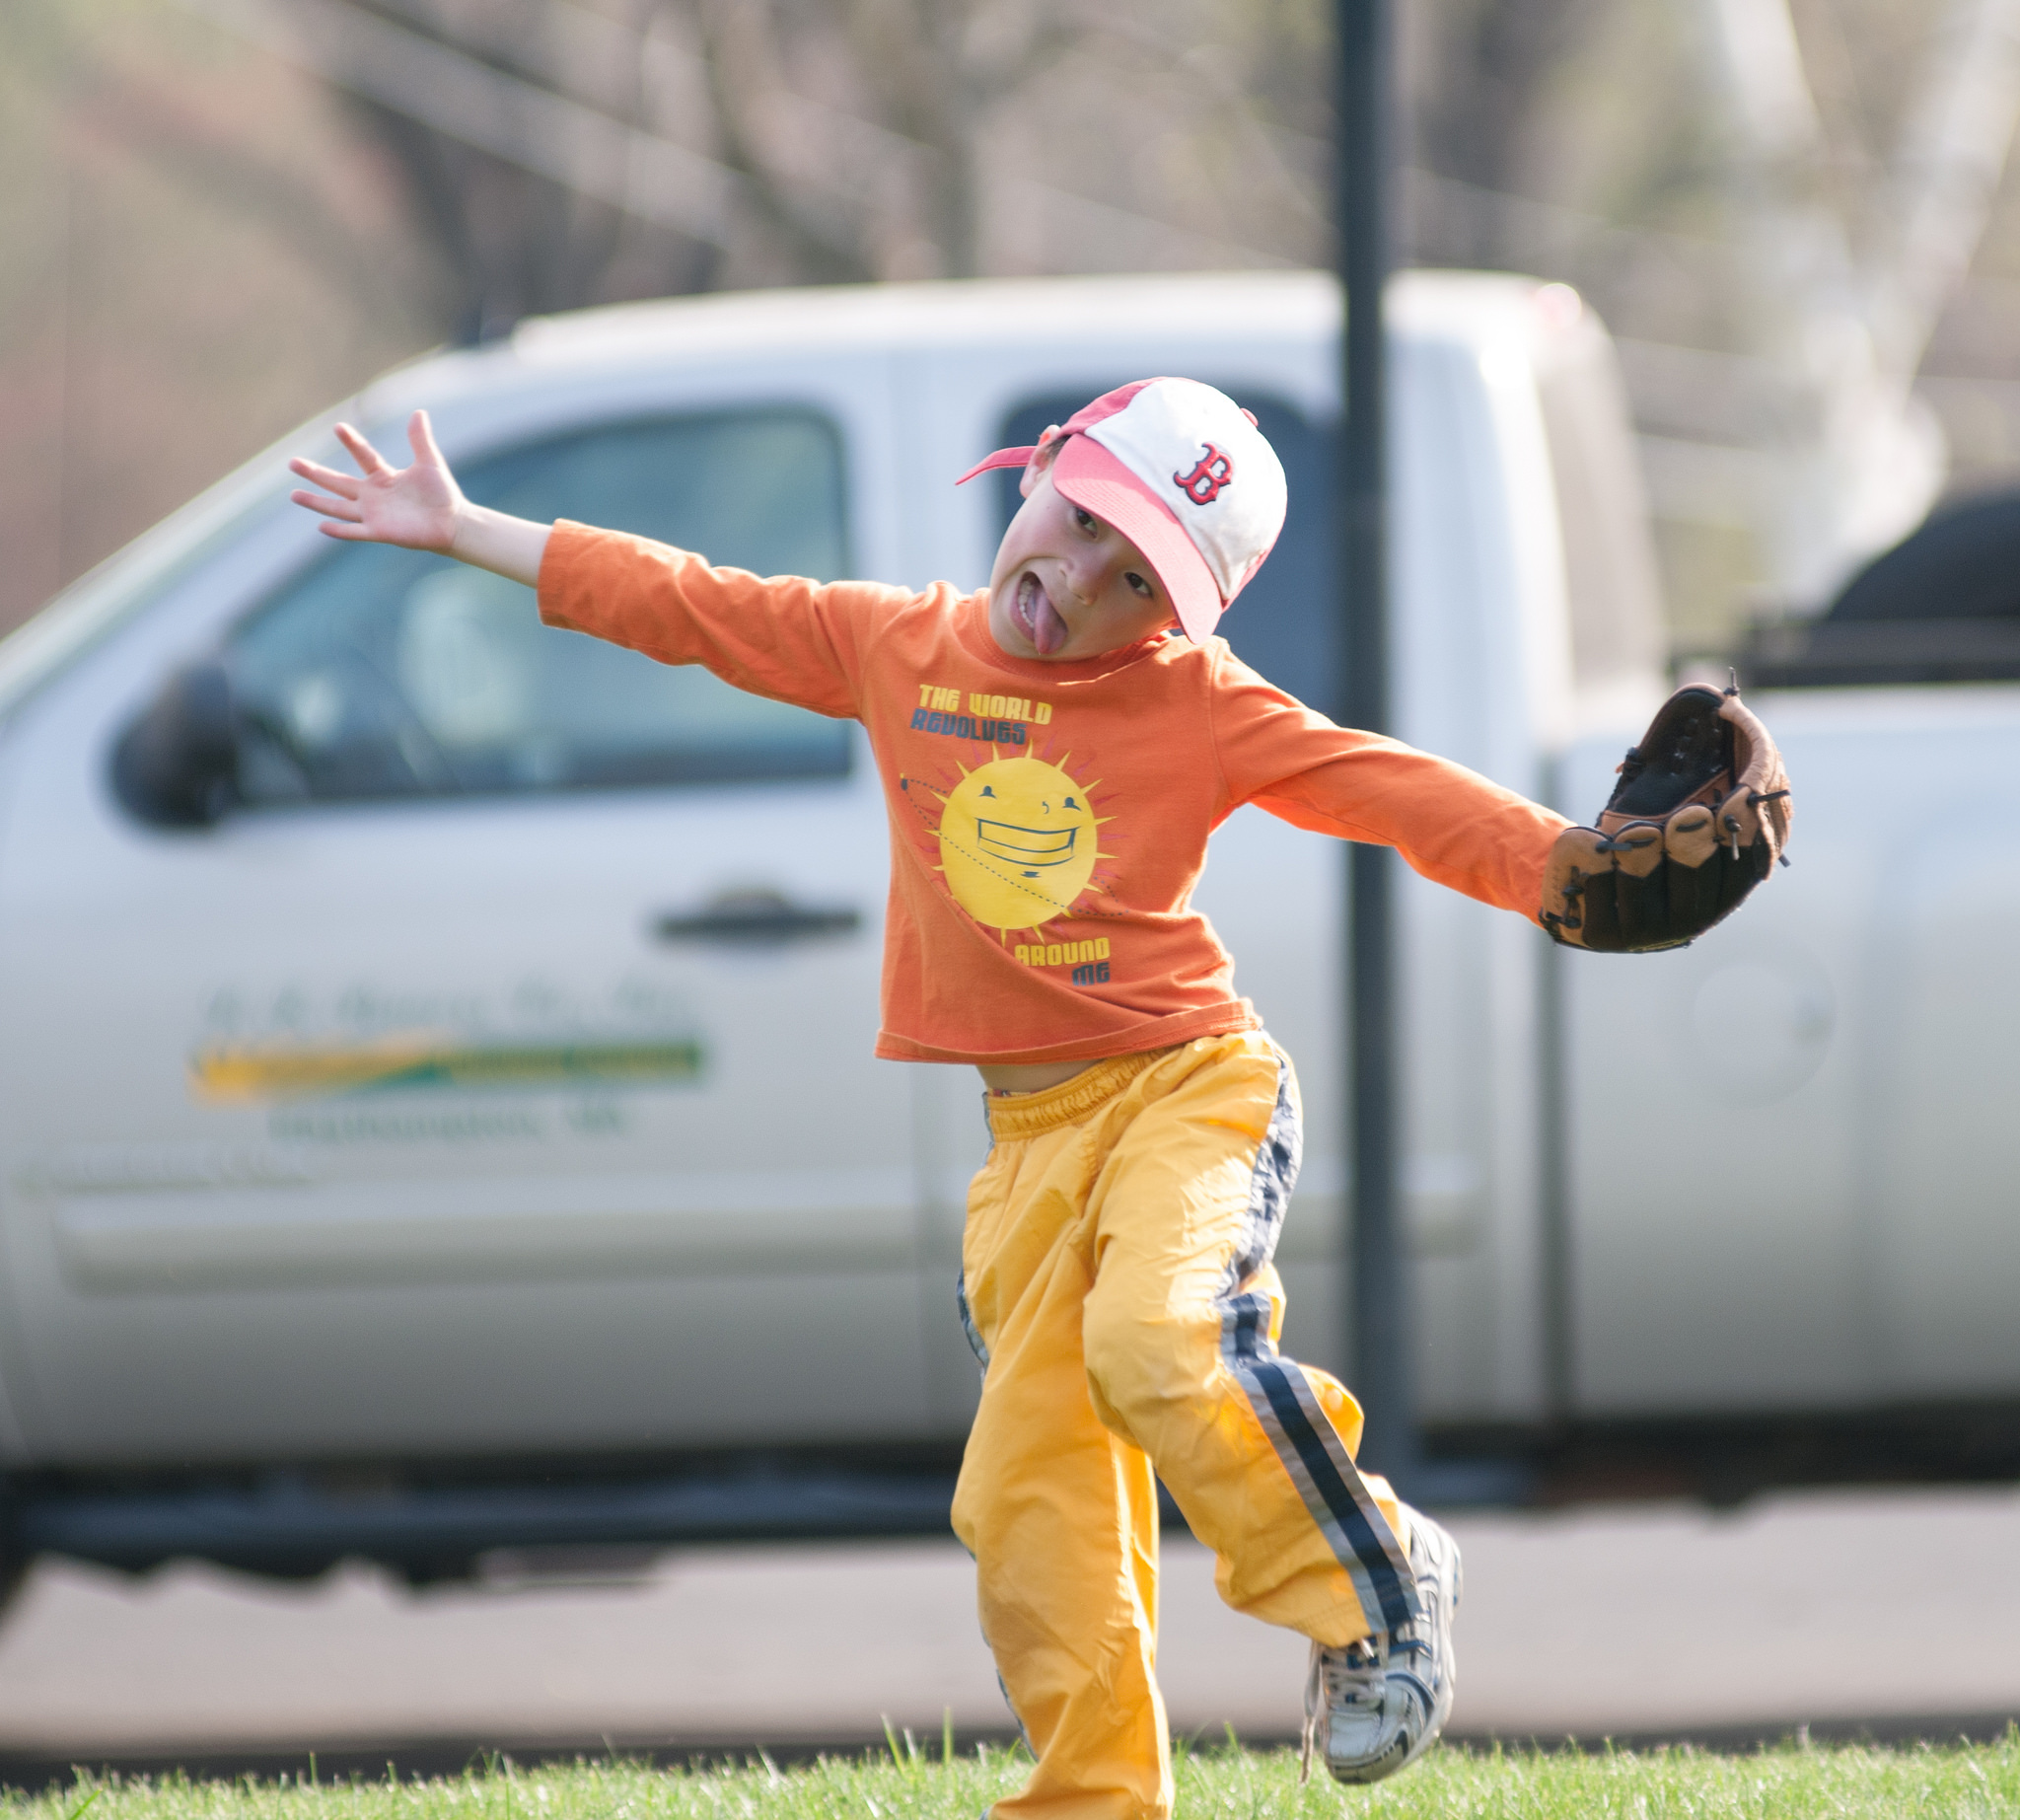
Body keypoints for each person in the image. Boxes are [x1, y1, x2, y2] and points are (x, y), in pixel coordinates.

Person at [289, 378, 1571, 1817]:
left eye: (1135, 579)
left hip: (1186, 1091)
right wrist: (465, 529)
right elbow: (690, 602)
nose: (1077, 582)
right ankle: (1094, 1796)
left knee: (1162, 1343)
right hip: (1027, 1143)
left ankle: (1377, 1577)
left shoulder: (1197, 702)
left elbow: (1388, 789)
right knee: (1028, 1508)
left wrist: (1571, 872)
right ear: (1035, 474)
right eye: (1080, 524)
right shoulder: (893, 643)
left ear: (1177, 616)